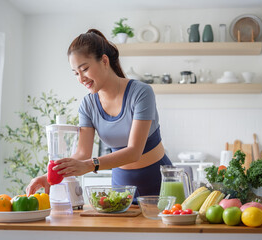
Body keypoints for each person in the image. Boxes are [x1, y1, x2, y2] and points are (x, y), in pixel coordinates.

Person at [26, 29, 172, 202]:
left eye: (84, 69)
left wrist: (89, 165)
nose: (81, 78)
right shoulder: (88, 105)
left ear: (104, 61)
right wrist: (50, 177)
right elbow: (82, 153)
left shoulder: (141, 92)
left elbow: (134, 152)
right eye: (76, 73)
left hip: (159, 182)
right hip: (121, 186)